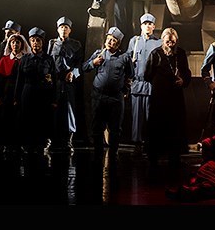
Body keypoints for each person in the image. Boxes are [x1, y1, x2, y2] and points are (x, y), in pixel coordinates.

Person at [82, 26, 133, 163]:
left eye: (114, 40)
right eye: (109, 39)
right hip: (99, 97)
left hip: (115, 98)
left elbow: (130, 74)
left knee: (115, 128)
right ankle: (98, 153)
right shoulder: (99, 54)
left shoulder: (124, 57)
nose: (110, 42)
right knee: (97, 127)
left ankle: (113, 154)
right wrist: (93, 63)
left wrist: (125, 89)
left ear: (118, 43)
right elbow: (84, 67)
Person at [143, 27, 192, 166]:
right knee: (157, 124)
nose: (170, 44)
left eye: (172, 42)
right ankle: (154, 155)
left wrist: (183, 81)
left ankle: (174, 155)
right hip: (159, 96)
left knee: (175, 125)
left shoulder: (180, 53)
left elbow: (186, 72)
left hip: (175, 96)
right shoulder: (156, 53)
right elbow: (147, 74)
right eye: (168, 42)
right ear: (163, 40)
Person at [15, 27, 56, 155]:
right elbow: (19, 79)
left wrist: (53, 99)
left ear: (42, 42)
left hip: (43, 93)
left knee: (41, 118)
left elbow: (53, 80)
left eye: (38, 40)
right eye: (32, 40)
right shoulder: (25, 59)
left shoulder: (48, 59)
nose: (35, 43)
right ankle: (27, 144)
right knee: (27, 118)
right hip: (27, 91)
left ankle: (41, 144)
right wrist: (16, 98)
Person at [48, 16, 84, 153]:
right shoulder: (52, 43)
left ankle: (69, 140)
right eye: (61, 27)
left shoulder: (76, 45)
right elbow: (48, 61)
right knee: (52, 110)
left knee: (70, 110)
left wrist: (73, 73)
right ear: (57, 29)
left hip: (69, 82)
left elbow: (79, 64)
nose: (64, 30)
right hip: (55, 82)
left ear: (70, 30)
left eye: (66, 27)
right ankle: (50, 140)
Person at [127, 13, 161, 156]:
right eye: (145, 24)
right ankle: (137, 144)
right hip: (137, 84)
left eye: (150, 24)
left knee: (150, 116)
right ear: (141, 26)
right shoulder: (134, 41)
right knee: (137, 117)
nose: (147, 26)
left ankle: (150, 143)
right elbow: (128, 61)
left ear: (154, 26)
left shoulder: (158, 43)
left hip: (151, 85)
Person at [0, 33, 30, 154]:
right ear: (9, 44)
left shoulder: (25, 59)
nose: (15, 44)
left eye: (17, 42)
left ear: (22, 44)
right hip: (7, 92)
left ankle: (19, 144)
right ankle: (6, 143)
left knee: (20, 118)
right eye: (13, 42)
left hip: (21, 91)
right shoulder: (4, 60)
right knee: (6, 117)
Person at [0, 20, 21, 98]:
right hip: (0, 81)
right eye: (6, 32)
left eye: (10, 32)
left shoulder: (22, 48)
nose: (7, 35)